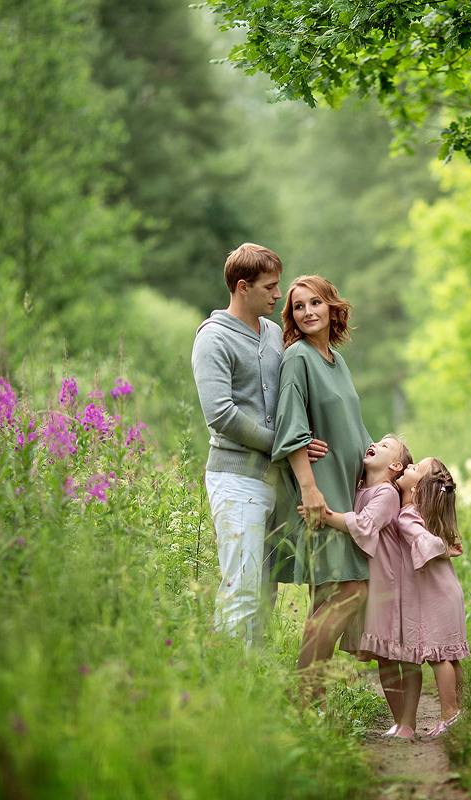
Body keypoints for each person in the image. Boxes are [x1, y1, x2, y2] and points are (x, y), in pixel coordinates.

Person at [190, 243, 326, 645]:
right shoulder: (213, 338)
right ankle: (228, 675)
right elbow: (221, 415)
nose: (278, 295)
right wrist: (286, 446)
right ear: (242, 287)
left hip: (275, 482)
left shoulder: (273, 334)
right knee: (242, 588)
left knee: (266, 592)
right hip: (235, 481)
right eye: (269, 287)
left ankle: (255, 679)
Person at [270, 275, 373, 700]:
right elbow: (291, 426)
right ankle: (301, 697)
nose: (307, 312)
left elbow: (354, 430)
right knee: (350, 590)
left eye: (315, 303)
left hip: (348, 494)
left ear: (332, 307)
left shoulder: (336, 361)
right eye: (298, 306)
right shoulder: (297, 358)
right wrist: (310, 490)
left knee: (327, 599)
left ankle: (309, 705)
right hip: (321, 495)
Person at [311, 435, 437, 739]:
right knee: (385, 655)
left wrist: (326, 516)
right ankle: (399, 722)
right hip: (375, 587)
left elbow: (365, 525)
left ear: (395, 466)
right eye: (377, 442)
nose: (375, 444)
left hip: (394, 585)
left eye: (385, 445)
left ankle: (408, 722)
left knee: (403, 654)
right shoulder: (358, 490)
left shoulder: (386, 493)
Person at [395, 457, 469, 736]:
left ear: (417, 489)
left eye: (414, 468)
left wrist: (442, 548)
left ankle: (449, 715)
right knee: (451, 655)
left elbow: (425, 544)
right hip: (448, 591)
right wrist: (445, 545)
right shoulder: (426, 515)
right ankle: (459, 710)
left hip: (437, 596)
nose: (408, 467)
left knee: (439, 656)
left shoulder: (408, 515)